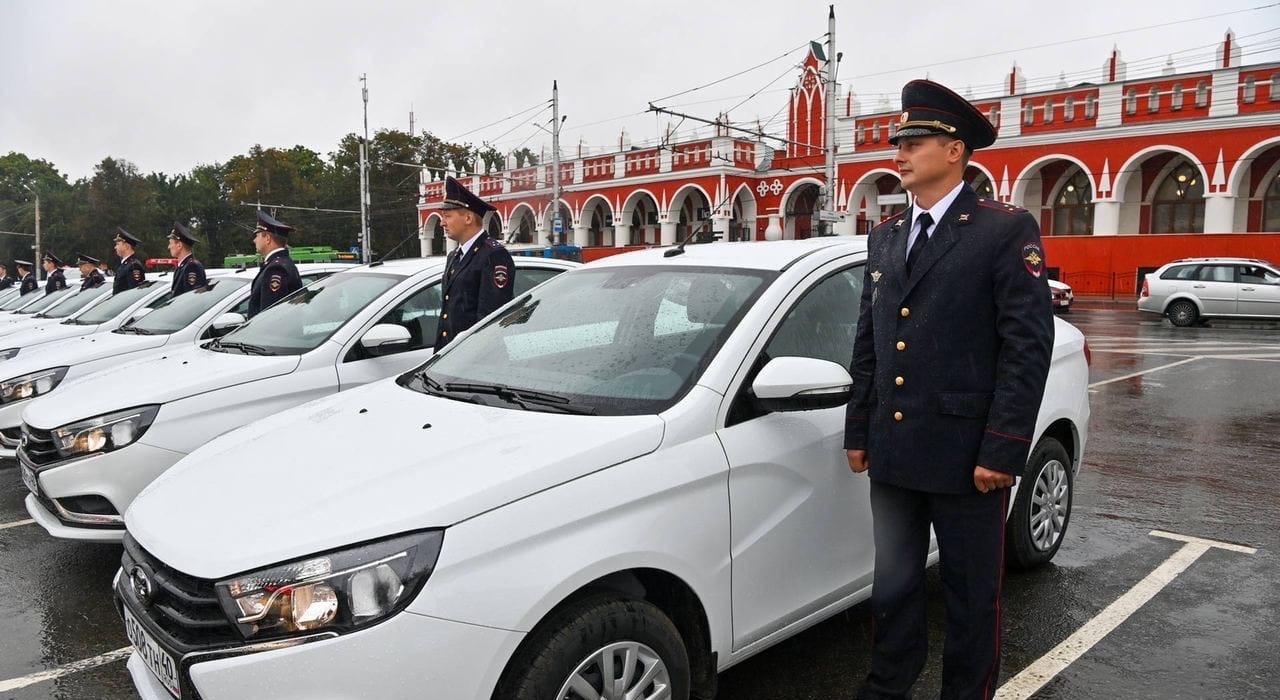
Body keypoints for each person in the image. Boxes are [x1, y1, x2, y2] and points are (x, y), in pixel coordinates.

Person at [843, 79, 1054, 700]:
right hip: (895, 452)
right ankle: (888, 687)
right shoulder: (884, 236)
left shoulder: (1002, 231)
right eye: (896, 141)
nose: (898, 152)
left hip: (969, 460)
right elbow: (870, 342)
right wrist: (861, 430)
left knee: (969, 599)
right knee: (894, 586)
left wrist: (1004, 447)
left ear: (956, 150)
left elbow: (1026, 346)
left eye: (914, 141)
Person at [432, 176, 515, 351]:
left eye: (447, 216)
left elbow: (490, 321)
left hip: (474, 358)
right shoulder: (455, 256)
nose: (442, 222)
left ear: (468, 218)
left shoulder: (493, 256)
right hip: (451, 355)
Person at [247, 210, 303, 317]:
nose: (254, 240)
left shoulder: (276, 269)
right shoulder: (283, 263)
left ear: (267, 238)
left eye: (257, 235)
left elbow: (270, 316)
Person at [168, 220, 207, 296]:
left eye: (170, 243)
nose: (168, 247)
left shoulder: (192, 267)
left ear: (179, 245)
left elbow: (190, 297)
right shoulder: (182, 266)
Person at [113, 228, 147, 293]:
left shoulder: (134, 266)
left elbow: (134, 291)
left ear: (127, 246)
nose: (115, 247)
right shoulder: (125, 264)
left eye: (117, 244)